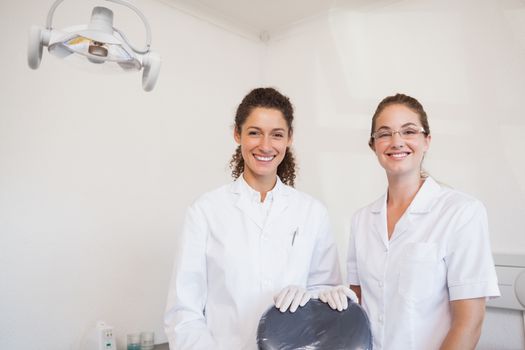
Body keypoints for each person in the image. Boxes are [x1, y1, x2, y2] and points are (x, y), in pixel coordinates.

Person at [164, 87, 348, 350]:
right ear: (237, 134)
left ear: (289, 139)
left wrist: (313, 296)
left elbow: (327, 295)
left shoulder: (312, 213)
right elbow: (184, 312)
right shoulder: (205, 211)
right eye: (254, 133)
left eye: (277, 135)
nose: (265, 145)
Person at [320, 93, 500, 349]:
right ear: (373, 146)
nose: (396, 141)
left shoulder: (461, 212)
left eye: (409, 131)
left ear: (426, 141)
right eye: (384, 133)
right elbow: (356, 306)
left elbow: (469, 323)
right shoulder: (362, 220)